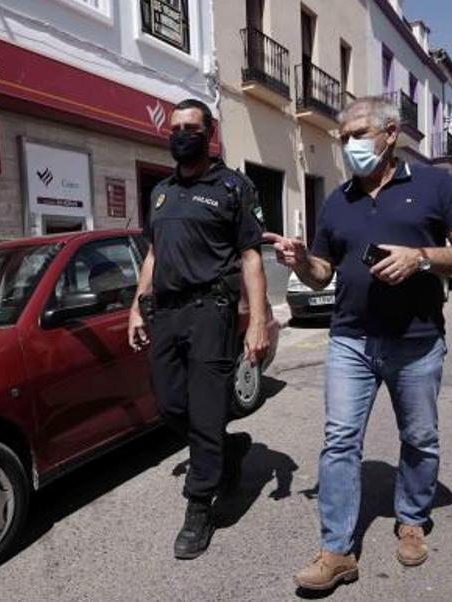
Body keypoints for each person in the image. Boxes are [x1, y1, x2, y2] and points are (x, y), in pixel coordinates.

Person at [266, 96, 452, 591]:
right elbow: (322, 275)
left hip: (417, 339)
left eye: (358, 134)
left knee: (420, 438)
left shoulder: (434, 185)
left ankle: (411, 518)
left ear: (390, 134)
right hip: (350, 339)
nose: (349, 145)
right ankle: (337, 550)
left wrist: (422, 258)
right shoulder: (337, 200)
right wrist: (301, 260)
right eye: (343, 138)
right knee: (339, 441)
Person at [127, 98, 271, 559]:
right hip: (166, 312)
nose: (180, 134)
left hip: (213, 309)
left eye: (190, 127)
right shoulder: (162, 192)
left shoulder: (233, 187)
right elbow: (152, 255)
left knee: (207, 411)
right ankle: (227, 452)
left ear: (208, 134)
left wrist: (259, 321)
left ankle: (199, 506)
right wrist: (136, 307)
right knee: (171, 404)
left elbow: (251, 256)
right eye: (174, 128)